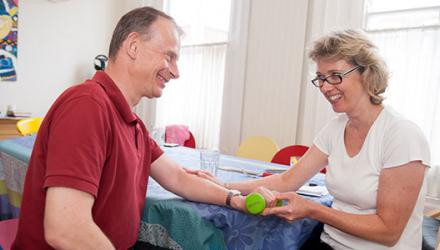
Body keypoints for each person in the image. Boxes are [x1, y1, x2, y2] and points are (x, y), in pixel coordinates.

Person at [12, 7, 247, 250]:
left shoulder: (133, 125)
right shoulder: (87, 105)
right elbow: (66, 229)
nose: (176, 72)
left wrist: (234, 199)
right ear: (133, 46)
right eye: (169, 57)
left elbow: (178, 177)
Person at [194, 29, 430, 250]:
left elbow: (388, 231)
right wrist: (224, 186)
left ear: (367, 73)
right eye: (320, 78)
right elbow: (288, 180)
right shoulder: (335, 129)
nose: (326, 87)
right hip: (329, 243)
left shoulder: (401, 134)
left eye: (335, 76)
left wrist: (313, 210)